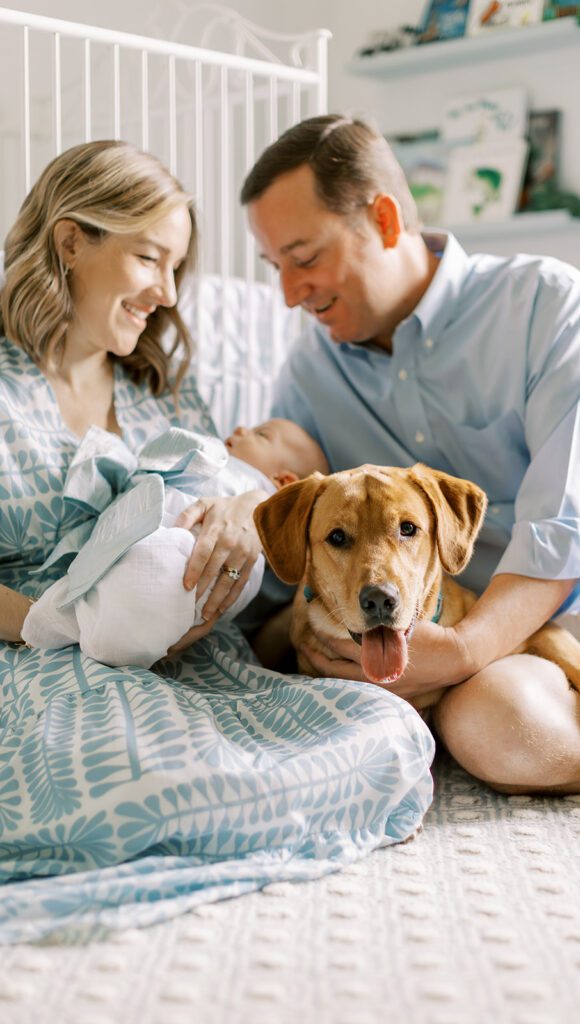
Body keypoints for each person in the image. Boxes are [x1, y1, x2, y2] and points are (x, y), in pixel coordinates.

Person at [0, 139, 433, 941]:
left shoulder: (161, 393)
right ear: (70, 241)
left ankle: (187, 799)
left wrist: (240, 508)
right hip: (40, 665)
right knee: (126, 778)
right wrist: (55, 624)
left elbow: (228, 490)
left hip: (193, 663)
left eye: (177, 269)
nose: (167, 294)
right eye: (149, 260)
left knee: (392, 735)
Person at [240, 114, 580, 797]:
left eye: (304, 258)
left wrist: (466, 650)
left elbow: (569, 527)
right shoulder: (310, 372)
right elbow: (292, 520)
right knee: (495, 732)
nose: (289, 294)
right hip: (470, 623)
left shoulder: (545, 302)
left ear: (384, 220)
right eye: (275, 268)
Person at [21, 418, 328, 668]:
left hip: (193, 566)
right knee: (146, 572)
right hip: (147, 556)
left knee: (174, 566)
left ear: (283, 482)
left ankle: (96, 621)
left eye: (261, 434)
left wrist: (257, 501)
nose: (239, 429)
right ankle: (92, 622)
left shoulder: (239, 478)